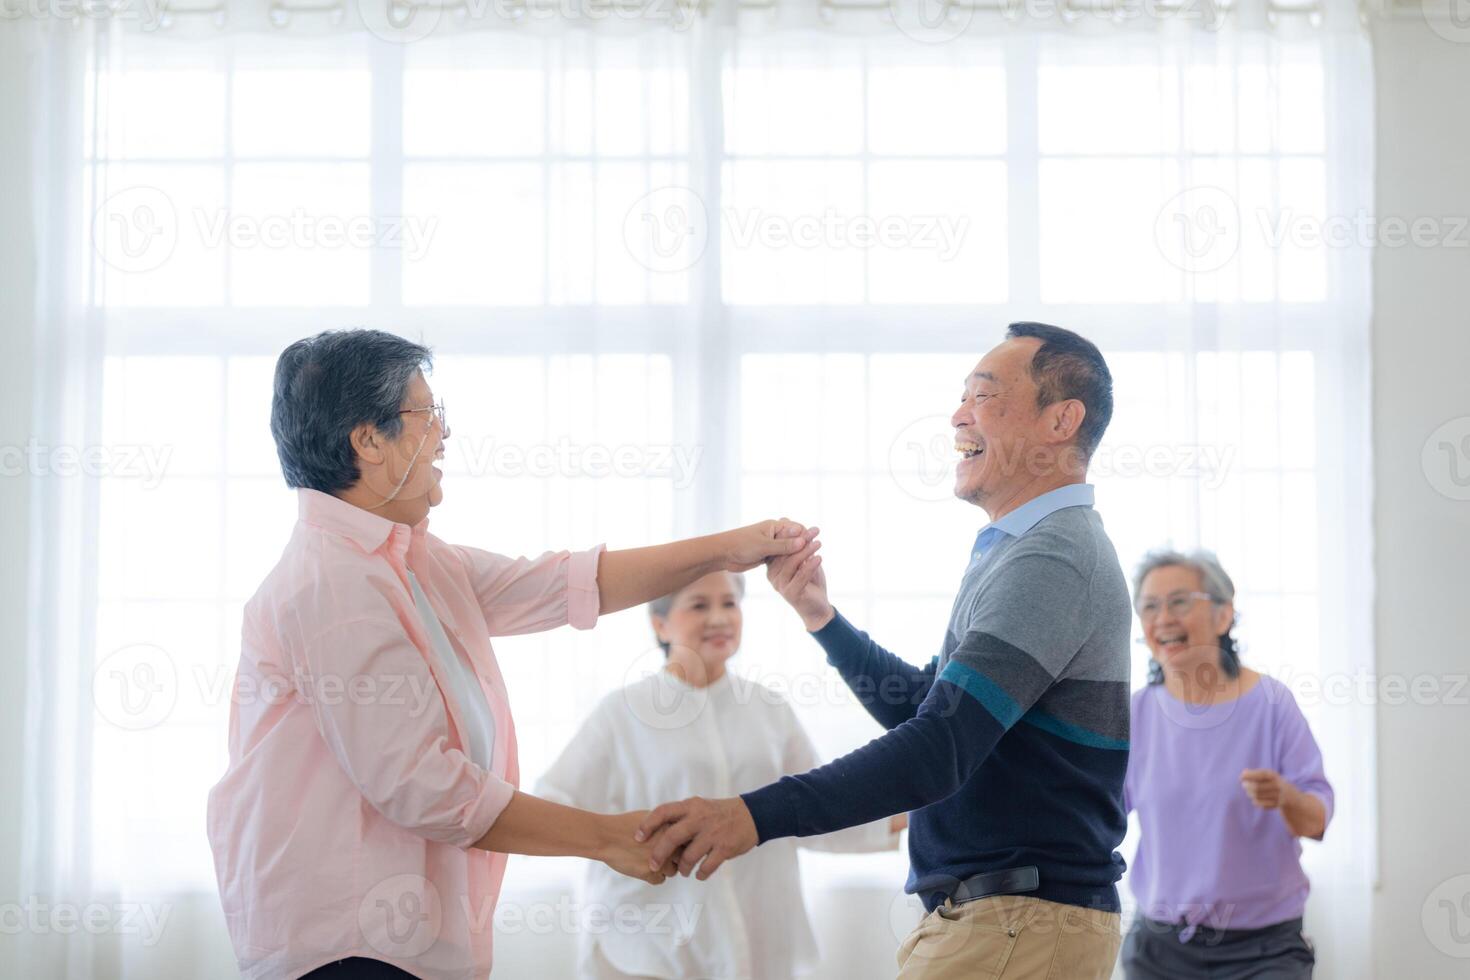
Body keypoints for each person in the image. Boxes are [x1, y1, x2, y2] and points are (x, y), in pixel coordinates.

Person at [206, 329, 816, 980]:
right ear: (368, 440)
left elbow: (566, 582)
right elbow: (426, 788)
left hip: (401, 940)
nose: (444, 435)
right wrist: (611, 838)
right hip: (346, 945)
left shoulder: (412, 561)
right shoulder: (331, 583)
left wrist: (727, 548)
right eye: (427, 414)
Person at [636, 322, 1132, 979]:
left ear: (1061, 420)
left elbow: (939, 747)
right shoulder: (1021, 549)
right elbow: (925, 709)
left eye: (982, 395)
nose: (957, 415)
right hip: (1001, 920)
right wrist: (822, 618)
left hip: (1017, 920)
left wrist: (751, 817)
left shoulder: (1055, 554)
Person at [537, 570, 906, 979]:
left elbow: (814, 811)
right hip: (651, 951)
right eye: (699, 605)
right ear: (659, 623)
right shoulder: (621, 713)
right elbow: (551, 800)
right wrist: (614, 840)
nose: (719, 618)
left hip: (761, 941)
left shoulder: (770, 709)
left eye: (729, 603)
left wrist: (917, 812)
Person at [1120, 549, 1332, 979]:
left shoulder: (1271, 703)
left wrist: (1286, 796)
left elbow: (1317, 822)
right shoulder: (1135, 714)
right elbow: (1098, 818)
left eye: (1179, 601)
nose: (1163, 617)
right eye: (1149, 606)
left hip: (1264, 951)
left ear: (1223, 615)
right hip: (1159, 949)